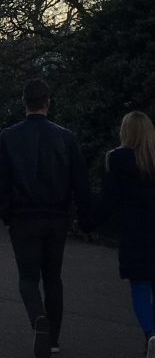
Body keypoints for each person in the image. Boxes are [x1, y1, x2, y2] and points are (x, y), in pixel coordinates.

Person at [0, 79, 90, 358]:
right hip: (56, 216)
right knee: (53, 278)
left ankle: (38, 318)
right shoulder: (66, 136)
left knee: (27, 277)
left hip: (23, 217)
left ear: (24, 102)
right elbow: (80, 182)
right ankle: (54, 340)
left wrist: (6, 214)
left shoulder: (9, 136)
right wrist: (84, 218)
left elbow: (2, 180)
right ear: (48, 102)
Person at [88, 111, 155, 358]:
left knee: (139, 287)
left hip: (135, 234)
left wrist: (89, 222)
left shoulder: (117, 160)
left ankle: (150, 335)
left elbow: (109, 201)